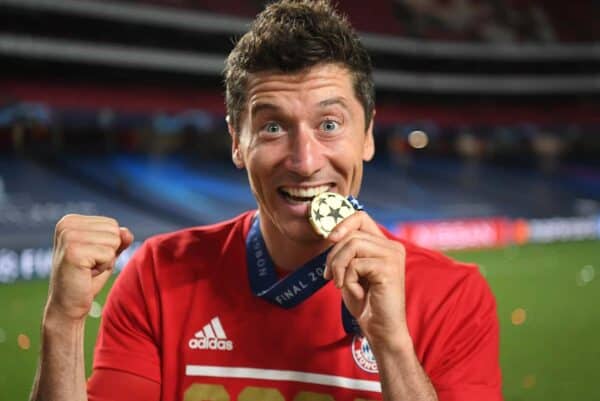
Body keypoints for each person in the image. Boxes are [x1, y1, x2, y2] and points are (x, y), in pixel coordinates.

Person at [30, 1, 502, 400]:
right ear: (238, 141)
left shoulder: (454, 297)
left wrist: (393, 344)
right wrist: (63, 326)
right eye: (273, 126)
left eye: (329, 124)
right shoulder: (157, 275)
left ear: (368, 135)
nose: (304, 160)